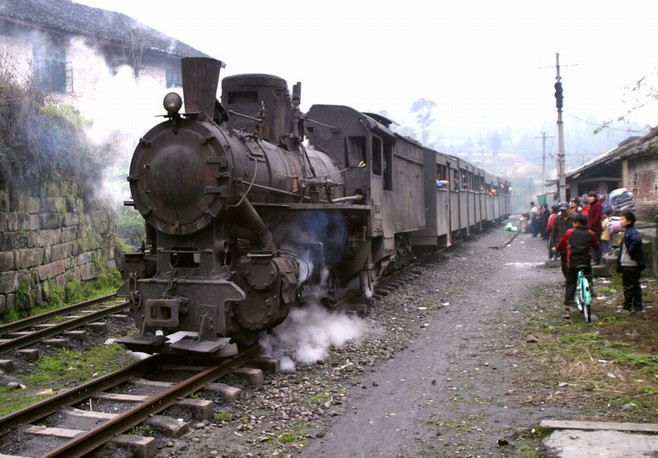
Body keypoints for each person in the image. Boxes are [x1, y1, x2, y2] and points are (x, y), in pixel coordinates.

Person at [556, 213, 599, 319]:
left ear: (577, 223)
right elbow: (596, 246)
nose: (572, 224)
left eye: (573, 222)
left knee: (571, 284)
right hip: (586, 262)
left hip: (573, 263)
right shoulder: (591, 233)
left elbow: (560, 245)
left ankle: (567, 308)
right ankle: (590, 287)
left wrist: (558, 249)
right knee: (588, 277)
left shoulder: (570, 232)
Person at [617, 211, 645, 317]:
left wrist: (630, 251)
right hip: (632, 263)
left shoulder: (630, 232)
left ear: (629, 221)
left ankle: (627, 307)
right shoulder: (628, 231)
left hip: (629, 263)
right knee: (636, 285)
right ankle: (638, 307)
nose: (620, 221)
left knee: (628, 286)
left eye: (622, 219)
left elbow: (637, 241)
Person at [552, 203, 573, 280]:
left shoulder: (573, 218)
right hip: (562, 244)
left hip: (572, 244)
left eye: (564, 210)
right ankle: (567, 279)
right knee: (564, 263)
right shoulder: (557, 219)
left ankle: (572, 279)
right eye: (561, 210)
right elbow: (554, 233)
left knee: (572, 262)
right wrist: (554, 245)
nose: (563, 212)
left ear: (569, 209)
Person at [586, 191, 603, 264]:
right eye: (589, 196)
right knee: (593, 244)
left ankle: (597, 260)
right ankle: (595, 258)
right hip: (591, 228)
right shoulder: (592, 205)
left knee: (597, 244)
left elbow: (598, 216)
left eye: (591, 196)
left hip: (596, 228)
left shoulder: (597, 205)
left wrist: (591, 225)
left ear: (595, 197)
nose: (590, 198)